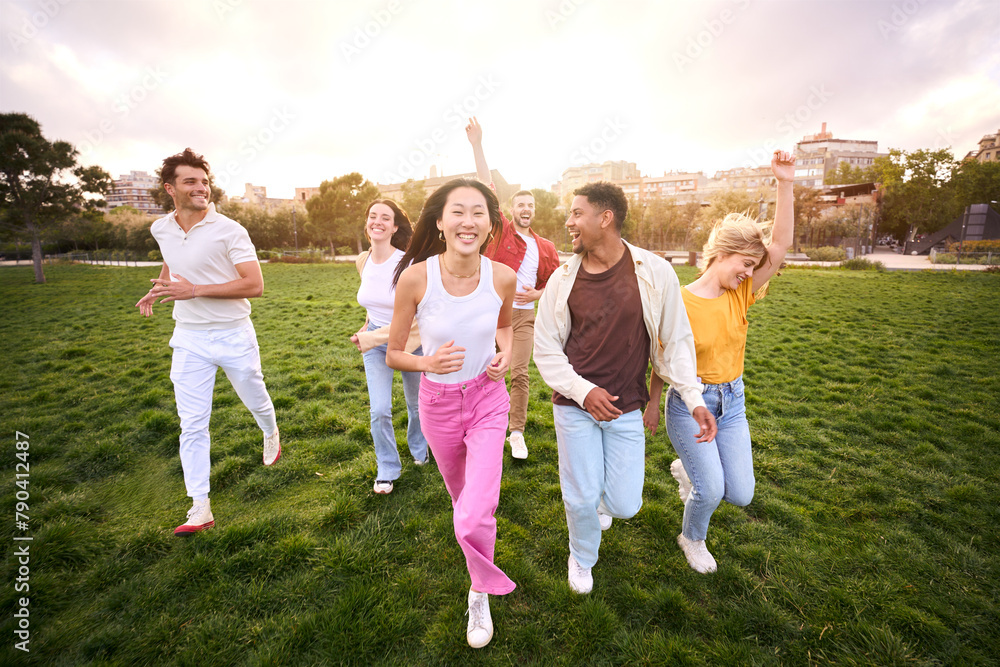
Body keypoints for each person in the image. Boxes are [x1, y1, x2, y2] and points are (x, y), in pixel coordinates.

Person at [533, 181, 717, 595]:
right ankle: (581, 557)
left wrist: (692, 398)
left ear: (605, 218)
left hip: (627, 406)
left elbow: (676, 340)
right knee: (579, 497)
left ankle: (601, 505)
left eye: (576, 214)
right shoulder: (563, 280)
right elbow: (545, 351)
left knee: (625, 504)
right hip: (574, 404)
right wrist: (583, 392)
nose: (569, 222)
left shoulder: (655, 272)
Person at [646, 149, 795, 574]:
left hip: (733, 402)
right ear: (722, 254)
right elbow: (661, 359)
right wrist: (654, 403)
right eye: (745, 264)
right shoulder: (681, 300)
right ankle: (691, 538)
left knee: (741, 494)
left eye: (753, 266)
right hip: (689, 405)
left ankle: (686, 471)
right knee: (710, 492)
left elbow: (780, 245)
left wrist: (785, 183)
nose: (750, 272)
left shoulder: (741, 293)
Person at [385, 177, 517, 649]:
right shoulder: (417, 278)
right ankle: (479, 572)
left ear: (489, 223)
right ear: (440, 222)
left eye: (478, 212)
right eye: (457, 211)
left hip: (486, 398)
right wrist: (427, 362)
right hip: (437, 404)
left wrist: (504, 354)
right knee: (465, 501)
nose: (468, 220)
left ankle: (479, 591)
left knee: (471, 513)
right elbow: (394, 353)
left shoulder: (502, 276)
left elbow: (505, 328)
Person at [135, 148, 280, 536]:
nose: (201, 188)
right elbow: (172, 259)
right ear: (170, 188)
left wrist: (195, 289)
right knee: (192, 424)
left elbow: (255, 285)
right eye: (191, 181)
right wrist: (163, 286)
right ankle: (200, 506)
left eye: (204, 181)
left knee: (255, 397)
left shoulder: (230, 230)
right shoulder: (161, 228)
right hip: (189, 338)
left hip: (234, 333)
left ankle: (270, 430)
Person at [466, 117, 560, 460]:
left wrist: (537, 294)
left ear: (534, 211)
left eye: (531, 206)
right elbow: (486, 185)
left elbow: (556, 283)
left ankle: (516, 432)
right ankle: (477, 425)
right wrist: (478, 145)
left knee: (519, 372)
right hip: (486, 312)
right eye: (521, 205)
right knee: (480, 369)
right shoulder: (501, 231)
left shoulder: (545, 247)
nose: (526, 209)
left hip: (522, 318)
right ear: (512, 209)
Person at [350, 199, 429, 495]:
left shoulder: (407, 263)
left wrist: (374, 336)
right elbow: (373, 302)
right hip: (374, 342)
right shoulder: (363, 260)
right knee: (380, 409)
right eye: (373, 216)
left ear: (395, 226)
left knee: (417, 405)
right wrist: (366, 324)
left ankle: (419, 448)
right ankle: (387, 468)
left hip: (409, 342)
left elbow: (417, 313)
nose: (377, 221)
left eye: (386, 217)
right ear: (367, 222)